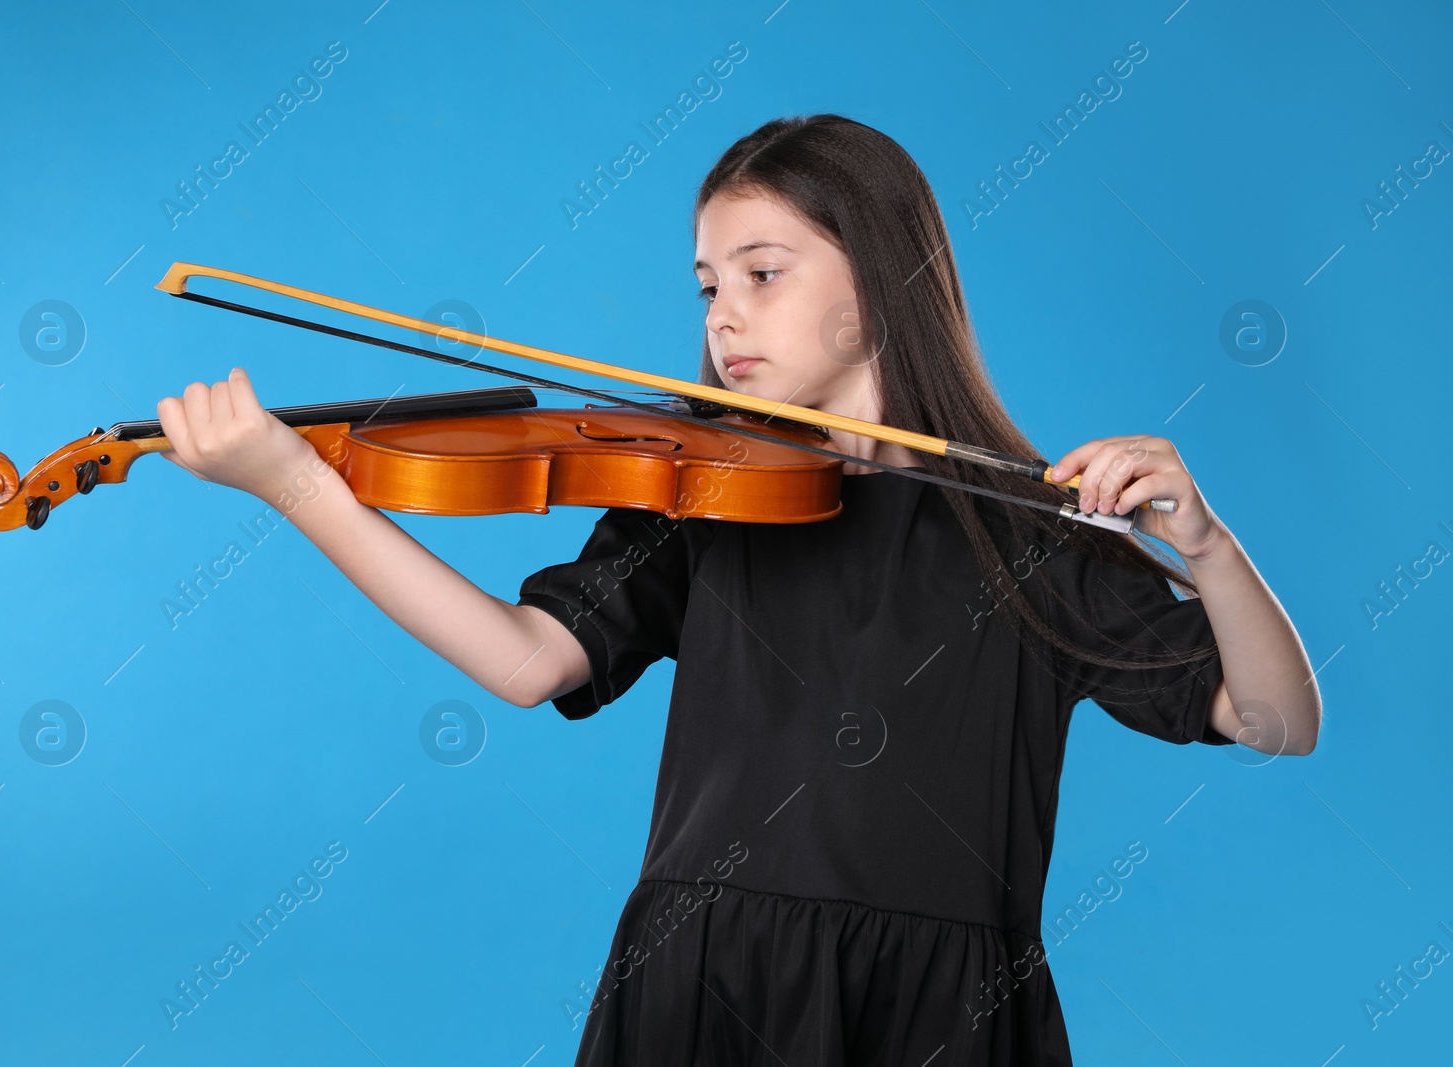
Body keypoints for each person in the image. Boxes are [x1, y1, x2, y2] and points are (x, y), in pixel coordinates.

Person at [155, 114, 1321, 1065]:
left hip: (940, 1015)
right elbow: (521, 659)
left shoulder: (1030, 533)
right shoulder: (698, 500)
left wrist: (1207, 549)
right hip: (700, 989)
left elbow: (1276, 720)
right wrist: (297, 485)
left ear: (880, 281)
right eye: (710, 281)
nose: (722, 313)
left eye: (763, 273)